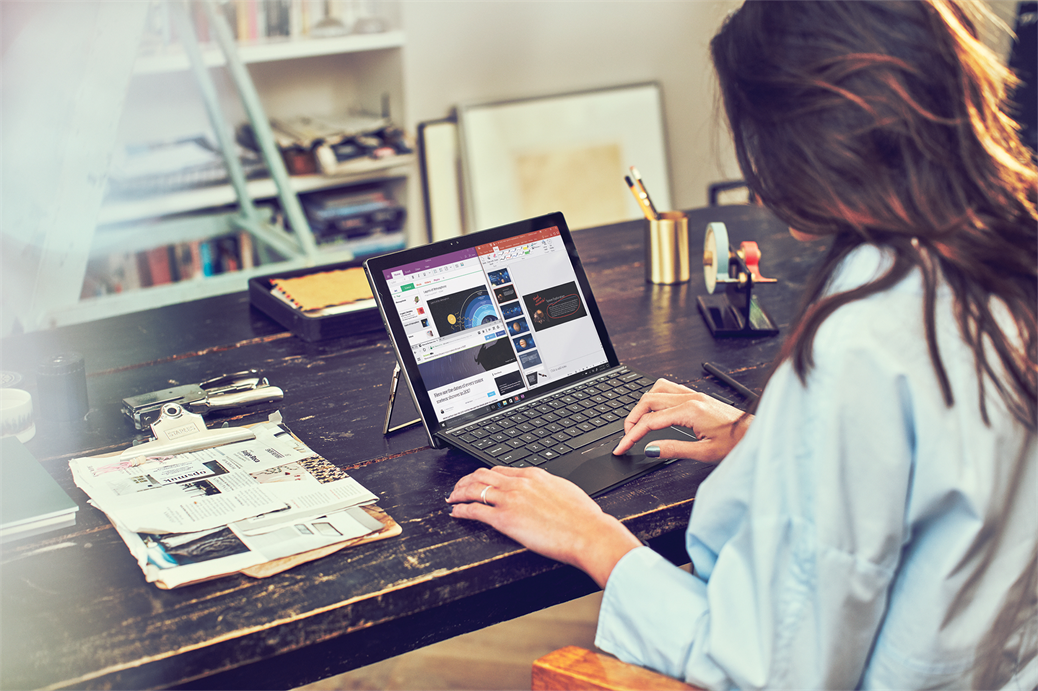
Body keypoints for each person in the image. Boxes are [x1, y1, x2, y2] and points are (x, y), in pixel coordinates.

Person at [447, 0, 1038, 688]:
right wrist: (764, 438)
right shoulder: (1005, 261)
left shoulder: (861, 346)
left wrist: (594, 538)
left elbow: (771, 666)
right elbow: (944, 473)